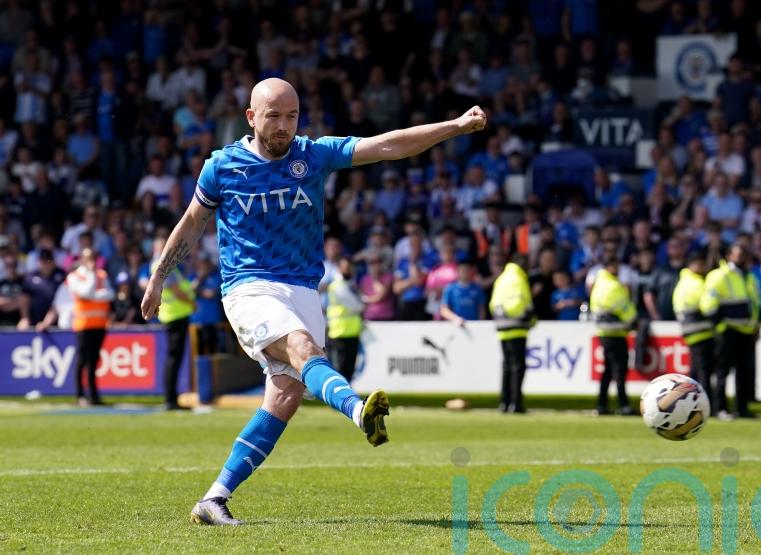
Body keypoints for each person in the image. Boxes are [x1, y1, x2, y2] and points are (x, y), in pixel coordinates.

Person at [140, 78, 487, 525]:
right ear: (251, 117)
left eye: (291, 116)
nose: (284, 126)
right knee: (304, 350)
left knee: (284, 397)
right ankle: (359, 411)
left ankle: (214, 498)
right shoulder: (222, 167)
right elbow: (191, 223)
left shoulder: (313, 155)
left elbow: (386, 146)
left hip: (303, 290)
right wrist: (158, 277)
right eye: (273, 116)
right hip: (249, 288)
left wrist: (455, 127)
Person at [700, 244, 760, 419]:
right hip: (728, 331)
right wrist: (720, 326)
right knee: (722, 371)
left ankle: (742, 408)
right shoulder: (720, 275)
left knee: (744, 372)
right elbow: (708, 303)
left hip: (746, 331)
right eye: (737, 254)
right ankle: (721, 408)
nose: (741, 258)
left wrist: (755, 326)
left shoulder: (748, 276)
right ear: (728, 256)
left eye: (743, 255)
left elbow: (754, 303)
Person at [150, 237, 196, 409]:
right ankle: (170, 399)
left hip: (175, 315)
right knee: (173, 359)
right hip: (175, 315)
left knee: (174, 358)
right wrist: (192, 303)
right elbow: (176, 290)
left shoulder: (166, 265)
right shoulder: (161, 265)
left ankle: (171, 397)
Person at [590, 255, 637, 415]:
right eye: (615, 266)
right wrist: (633, 320)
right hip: (616, 332)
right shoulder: (613, 286)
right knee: (619, 370)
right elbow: (624, 308)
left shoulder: (599, 284)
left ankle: (602, 404)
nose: (617, 270)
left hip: (604, 331)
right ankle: (623, 405)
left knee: (608, 370)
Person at [489, 253, 536, 414]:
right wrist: (529, 317)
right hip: (517, 327)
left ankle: (504, 402)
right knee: (518, 367)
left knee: (507, 366)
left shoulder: (501, 278)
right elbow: (521, 303)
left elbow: (493, 303)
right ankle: (516, 404)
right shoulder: (518, 279)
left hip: (501, 327)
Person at [67, 248, 113, 406]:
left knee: (94, 361)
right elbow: (86, 292)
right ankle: (79, 394)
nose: (91, 261)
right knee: (82, 360)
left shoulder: (102, 274)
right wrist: (95, 288)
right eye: (88, 258)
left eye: (93, 257)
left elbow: (110, 294)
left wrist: (95, 294)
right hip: (83, 325)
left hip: (100, 324)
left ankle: (94, 395)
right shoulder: (74, 276)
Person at [672, 253, 715, 398]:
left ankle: (687, 398)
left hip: (690, 331)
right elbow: (707, 307)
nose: (702, 267)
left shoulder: (682, 283)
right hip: (701, 331)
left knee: (696, 369)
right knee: (704, 370)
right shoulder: (697, 283)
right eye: (700, 264)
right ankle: (705, 400)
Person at [326, 257, 364, 381]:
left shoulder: (350, 285)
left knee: (349, 370)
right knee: (339, 370)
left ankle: (347, 398)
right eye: (345, 267)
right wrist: (362, 303)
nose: (348, 270)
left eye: (350, 268)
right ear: (339, 268)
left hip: (352, 332)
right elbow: (357, 305)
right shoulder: (337, 286)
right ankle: (340, 398)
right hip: (338, 333)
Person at [440, 257, 486, 325]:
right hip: (456, 325)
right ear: (457, 271)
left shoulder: (477, 289)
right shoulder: (450, 289)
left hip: (473, 325)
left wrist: (480, 323)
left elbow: (481, 309)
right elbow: (444, 310)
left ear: (471, 272)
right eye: (462, 270)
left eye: (467, 270)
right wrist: (455, 319)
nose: (464, 273)